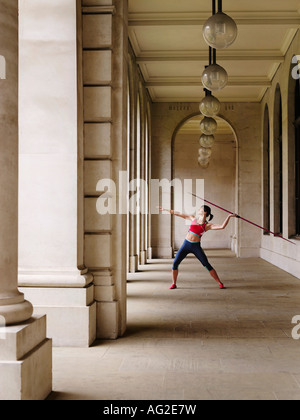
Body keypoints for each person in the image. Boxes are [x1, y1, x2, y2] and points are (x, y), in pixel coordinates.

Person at [158, 205, 238, 290]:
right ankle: (174, 283)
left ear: (205, 212)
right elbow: (178, 214)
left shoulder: (207, 225)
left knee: (206, 265)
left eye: (200, 209)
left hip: (196, 246)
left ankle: (220, 283)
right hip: (186, 244)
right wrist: (165, 209)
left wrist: (229, 216)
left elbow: (222, 226)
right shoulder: (193, 218)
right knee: (175, 264)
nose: (198, 210)